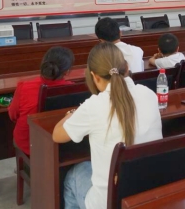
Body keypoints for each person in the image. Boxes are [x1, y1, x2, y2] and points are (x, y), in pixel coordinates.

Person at [52, 43, 162, 209]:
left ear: (94, 77)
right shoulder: (149, 94)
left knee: (74, 175)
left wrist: (72, 114)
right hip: (146, 192)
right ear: (127, 67)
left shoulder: (93, 106)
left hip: (109, 202)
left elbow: (57, 135)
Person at [8, 46, 74, 155]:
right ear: (67, 71)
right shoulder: (72, 89)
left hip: (28, 143)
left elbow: (12, 115)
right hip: (60, 144)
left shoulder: (24, 87)